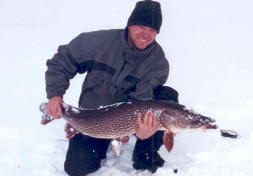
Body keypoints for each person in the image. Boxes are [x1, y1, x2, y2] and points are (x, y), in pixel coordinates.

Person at [45, 0, 178, 175]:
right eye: (141, 27)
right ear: (129, 25)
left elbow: (143, 101)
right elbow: (63, 60)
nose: (146, 34)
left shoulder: (158, 63)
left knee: (167, 97)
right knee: (77, 168)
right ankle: (88, 132)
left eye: (152, 30)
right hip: (93, 116)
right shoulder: (99, 42)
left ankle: (145, 157)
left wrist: (142, 131)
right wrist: (55, 95)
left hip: (127, 117)